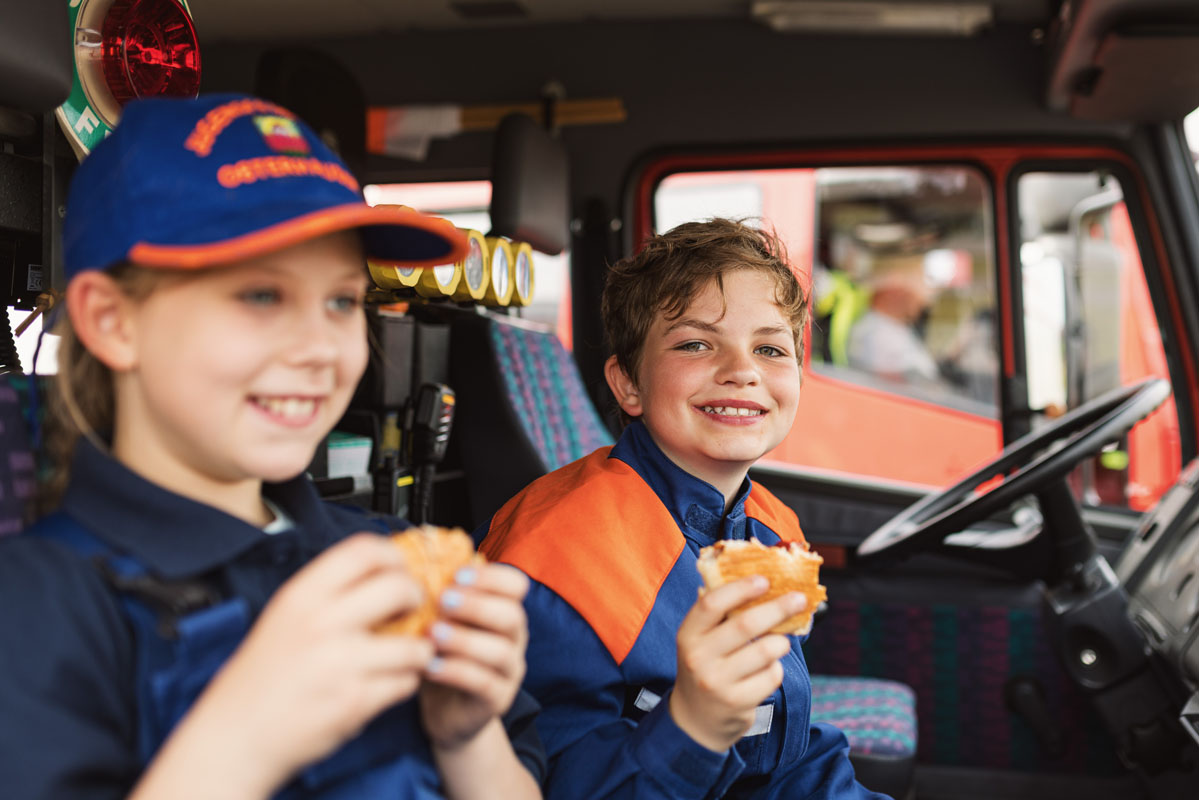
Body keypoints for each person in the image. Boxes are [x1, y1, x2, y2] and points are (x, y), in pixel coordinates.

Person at [0, 94, 542, 800]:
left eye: (343, 302)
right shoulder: (40, 603)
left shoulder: (381, 553)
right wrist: (246, 735)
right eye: (260, 296)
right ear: (112, 321)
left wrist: (465, 738)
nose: (321, 348)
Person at [478, 218, 888, 799]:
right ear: (629, 386)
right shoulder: (556, 563)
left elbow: (780, 748)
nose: (742, 370)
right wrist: (691, 729)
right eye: (696, 343)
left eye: (769, 348)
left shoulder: (774, 532)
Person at [846, 251, 941, 384]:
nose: (924, 300)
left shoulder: (891, 328)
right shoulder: (876, 334)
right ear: (895, 284)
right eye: (919, 281)